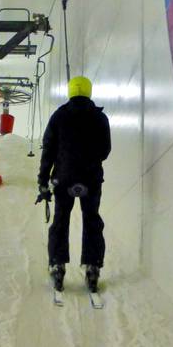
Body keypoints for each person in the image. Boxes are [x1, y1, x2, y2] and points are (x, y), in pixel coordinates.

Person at [36, 76, 111, 293]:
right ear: (89, 91)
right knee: (92, 219)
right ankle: (93, 267)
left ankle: (57, 266)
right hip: (91, 179)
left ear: (70, 92)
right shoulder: (100, 118)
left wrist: (43, 180)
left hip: (63, 178)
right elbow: (105, 150)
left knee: (60, 219)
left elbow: (48, 149)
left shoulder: (58, 116)